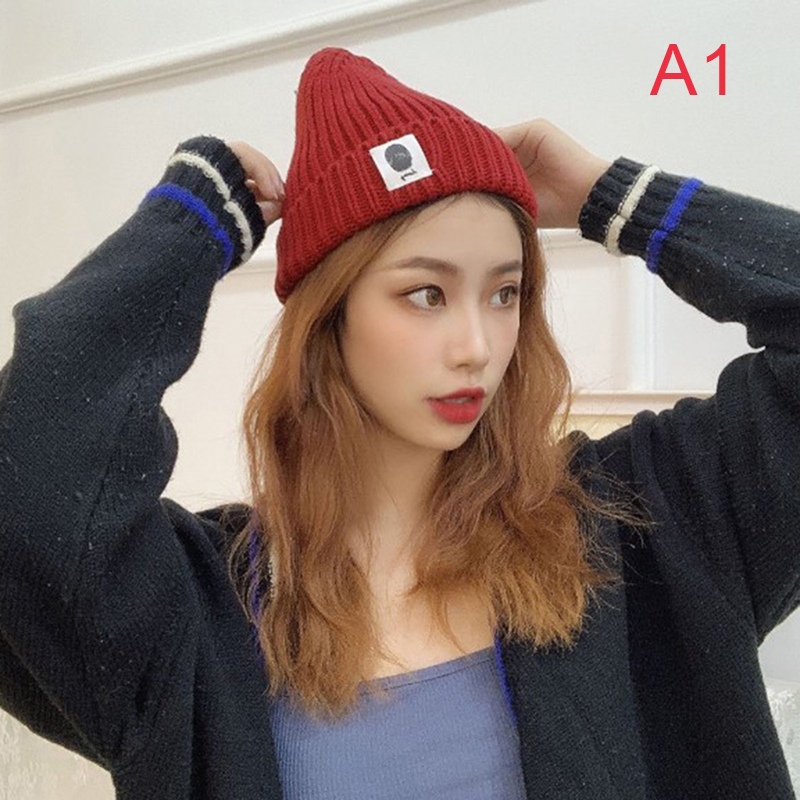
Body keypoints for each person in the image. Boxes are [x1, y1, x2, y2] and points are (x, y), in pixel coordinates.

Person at [0, 45, 798, 800]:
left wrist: (616, 197)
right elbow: (29, 473)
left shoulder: (637, 524)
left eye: (505, 292)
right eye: (426, 293)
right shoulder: (200, 616)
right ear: (331, 317)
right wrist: (189, 224)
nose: (477, 345)